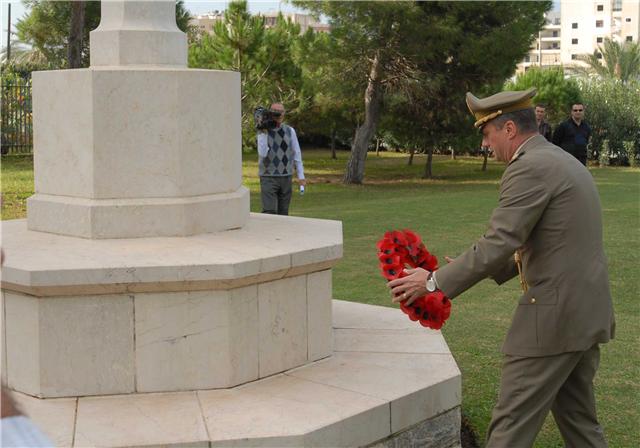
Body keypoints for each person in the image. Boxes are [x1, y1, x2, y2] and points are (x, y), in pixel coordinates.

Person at [388, 88, 615, 447]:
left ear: (509, 129)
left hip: (552, 322)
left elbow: (499, 241)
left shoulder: (529, 167)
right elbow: (549, 239)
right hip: (584, 314)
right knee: (581, 426)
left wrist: (432, 282)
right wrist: (479, 266)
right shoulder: (559, 160)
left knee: (509, 428)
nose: (485, 144)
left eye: (487, 133)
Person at [257, 103, 306, 215]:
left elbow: (296, 153)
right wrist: (263, 131)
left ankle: (282, 233)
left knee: (283, 212)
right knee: (269, 211)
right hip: (268, 177)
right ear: (269, 113)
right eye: (274, 111)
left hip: (286, 177)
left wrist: (301, 176)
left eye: (280, 111)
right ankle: (268, 232)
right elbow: (263, 153)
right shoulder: (263, 131)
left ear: (284, 114)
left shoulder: (290, 131)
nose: (277, 114)